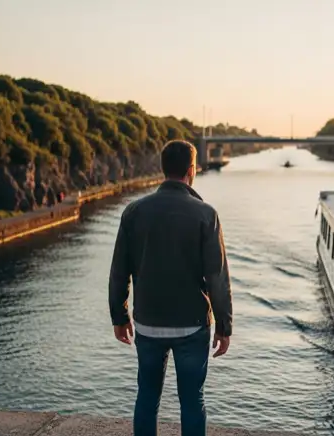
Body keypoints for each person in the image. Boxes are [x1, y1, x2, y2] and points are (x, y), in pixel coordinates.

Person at [108, 139, 233, 436]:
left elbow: (118, 271)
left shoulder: (133, 212)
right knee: (192, 401)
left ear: (162, 168)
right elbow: (216, 277)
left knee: (147, 397)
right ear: (191, 170)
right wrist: (224, 326)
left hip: (148, 324)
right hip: (192, 326)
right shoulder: (206, 215)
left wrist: (119, 316)